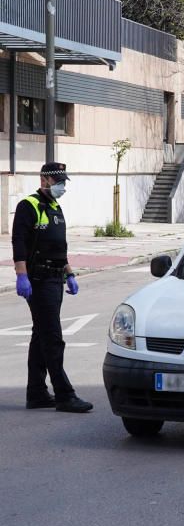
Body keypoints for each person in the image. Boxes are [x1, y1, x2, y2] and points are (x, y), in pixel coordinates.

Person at [11, 163, 92, 413]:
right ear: (44, 179)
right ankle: (64, 395)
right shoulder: (29, 205)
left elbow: (59, 247)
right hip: (38, 279)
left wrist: (70, 274)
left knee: (41, 335)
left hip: (56, 278)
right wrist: (21, 275)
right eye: (58, 182)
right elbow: (19, 242)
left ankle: (36, 393)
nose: (62, 186)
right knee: (53, 338)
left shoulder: (56, 207)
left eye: (63, 182)